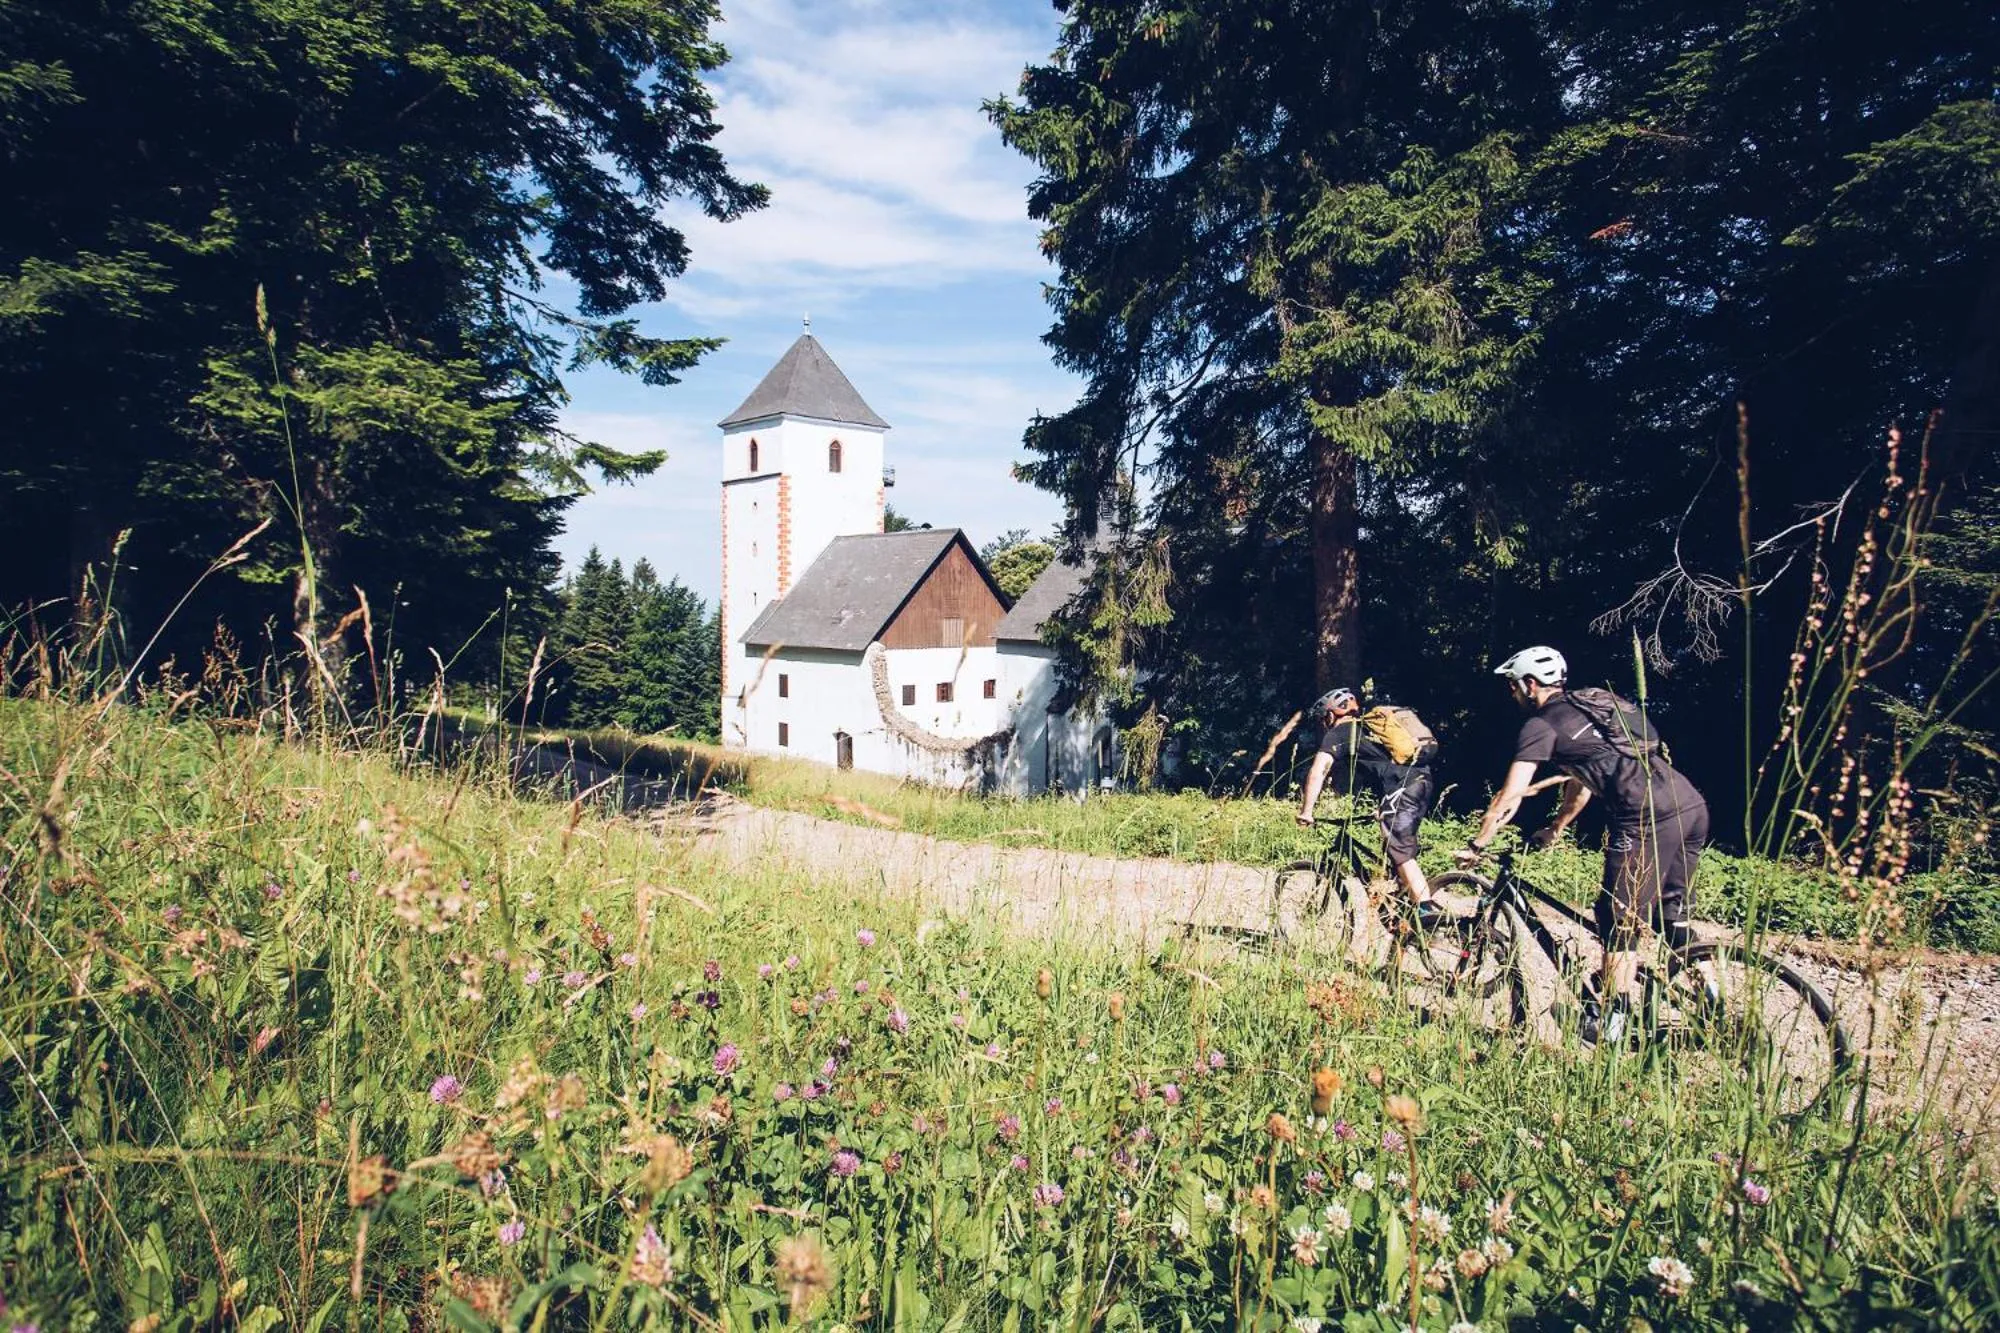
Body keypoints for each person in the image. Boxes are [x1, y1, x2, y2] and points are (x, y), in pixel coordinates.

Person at [1456, 644, 1712, 1043]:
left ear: (1529, 684)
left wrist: (1477, 845)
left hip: (1644, 816)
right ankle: (1714, 1001)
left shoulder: (1540, 725)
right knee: (1668, 916)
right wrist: (1557, 827)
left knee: (1617, 918)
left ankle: (1611, 1022)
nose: (1512, 694)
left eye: (1513, 686)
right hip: (1689, 804)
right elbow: (1582, 781)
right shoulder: (1590, 706)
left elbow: (1511, 795)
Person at [1296, 686, 1444, 929]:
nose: (1324, 725)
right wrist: (1381, 807)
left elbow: (1319, 770)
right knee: (1391, 847)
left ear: (1331, 715)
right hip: (1422, 781)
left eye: (1324, 719)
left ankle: (1426, 913)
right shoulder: (1368, 732)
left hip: (1404, 788)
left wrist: (1307, 810)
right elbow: (1384, 769)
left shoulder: (1341, 732)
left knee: (1398, 848)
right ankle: (1405, 911)